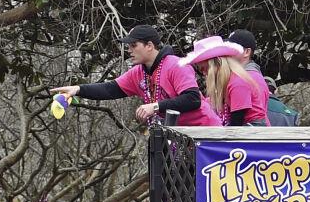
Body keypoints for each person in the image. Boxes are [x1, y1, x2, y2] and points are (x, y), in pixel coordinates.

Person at [47, 23, 222, 128]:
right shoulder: (140, 72)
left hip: (205, 134)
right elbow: (111, 89)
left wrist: (155, 107)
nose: (129, 50)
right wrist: (77, 89)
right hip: (179, 137)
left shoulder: (176, 65)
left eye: (133, 45)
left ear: (149, 46)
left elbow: (192, 99)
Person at [183, 36, 267, 125]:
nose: (204, 73)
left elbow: (236, 124)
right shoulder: (230, 81)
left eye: (204, 69)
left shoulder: (237, 83)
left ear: (216, 63)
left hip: (252, 132)